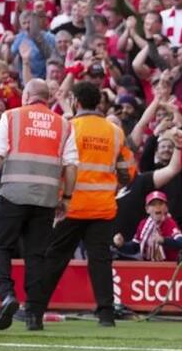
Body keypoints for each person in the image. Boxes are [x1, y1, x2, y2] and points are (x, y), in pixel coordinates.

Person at [0, 79, 79, 332]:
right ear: (47, 98)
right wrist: (66, 197)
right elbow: (72, 165)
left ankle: (7, 295)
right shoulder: (63, 124)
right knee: (37, 256)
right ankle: (34, 315)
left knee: (1, 246)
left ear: (27, 96)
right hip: (45, 200)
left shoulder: (12, 117)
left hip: (12, 194)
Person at [38, 81, 134, 328]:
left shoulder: (67, 128)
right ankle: (106, 315)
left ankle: (35, 309)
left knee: (55, 257)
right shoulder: (114, 131)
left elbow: (55, 166)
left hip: (71, 206)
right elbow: (127, 172)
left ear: (76, 102)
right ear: (98, 102)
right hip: (102, 207)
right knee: (100, 260)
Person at [114, 191, 182, 261]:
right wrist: (121, 245)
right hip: (148, 267)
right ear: (147, 209)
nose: (157, 207)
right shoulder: (143, 224)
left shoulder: (170, 223)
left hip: (167, 266)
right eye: (153, 204)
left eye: (160, 204)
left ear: (166, 208)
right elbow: (135, 247)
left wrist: (164, 240)